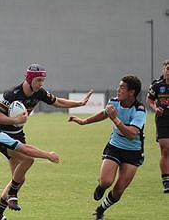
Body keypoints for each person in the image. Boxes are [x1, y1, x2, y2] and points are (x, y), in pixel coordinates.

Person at [0, 63, 93, 220]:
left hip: (18, 134)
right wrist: (16, 119)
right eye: (38, 80)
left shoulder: (39, 92)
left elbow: (57, 102)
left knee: (18, 178)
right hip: (2, 135)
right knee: (28, 159)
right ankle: (12, 194)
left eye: (42, 80)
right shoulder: (12, 94)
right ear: (30, 79)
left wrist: (78, 103)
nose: (41, 84)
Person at [68, 75, 146, 220]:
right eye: (119, 86)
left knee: (119, 190)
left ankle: (101, 209)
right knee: (106, 181)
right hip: (115, 146)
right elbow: (104, 114)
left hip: (133, 152)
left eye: (122, 87)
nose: (118, 90)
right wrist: (84, 121)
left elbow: (132, 134)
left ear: (132, 92)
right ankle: (101, 187)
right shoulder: (114, 102)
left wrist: (115, 119)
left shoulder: (139, 110)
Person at [146, 59, 169, 193]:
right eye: (167, 68)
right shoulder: (156, 85)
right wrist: (155, 108)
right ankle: (166, 181)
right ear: (163, 70)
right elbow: (149, 100)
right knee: (165, 150)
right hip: (163, 120)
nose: (168, 71)